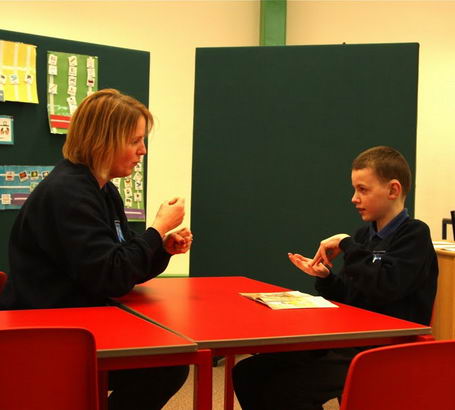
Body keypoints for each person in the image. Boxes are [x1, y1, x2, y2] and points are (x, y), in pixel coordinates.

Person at [0, 89, 192, 410]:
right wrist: (156, 229)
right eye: (134, 141)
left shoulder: (101, 189)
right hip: (48, 335)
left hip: (81, 319)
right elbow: (112, 276)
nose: (142, 151)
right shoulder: (69, 194)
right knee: (164, 367)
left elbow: (124, 262)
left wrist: (161, 248)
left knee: (167, 362)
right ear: (103, 140)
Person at [232, 146, 438, 410]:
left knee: (287, 390)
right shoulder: (364, 237)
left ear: (393, 190)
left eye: (363, 189)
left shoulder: (415, 235)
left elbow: (387, 286)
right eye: (354, 189)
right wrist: (327, 278)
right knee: (249, 373)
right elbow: (352, 298)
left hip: (382, 350)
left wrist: (346, 244)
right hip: (348, 341)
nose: (354, 198)